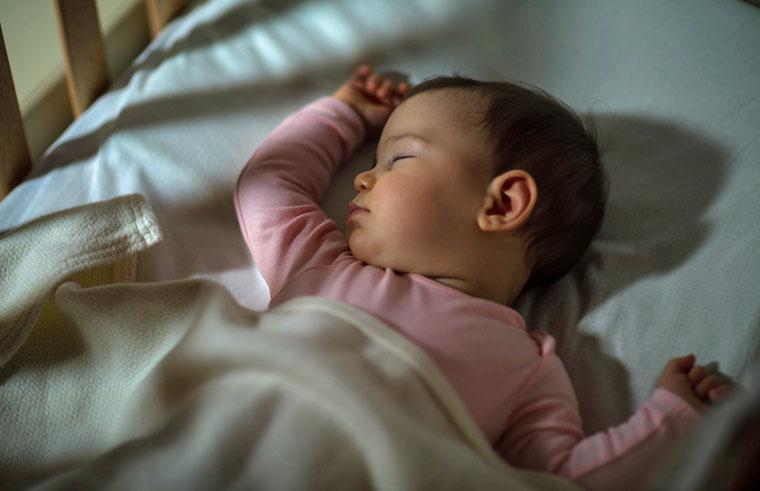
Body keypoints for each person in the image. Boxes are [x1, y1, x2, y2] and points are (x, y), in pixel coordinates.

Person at [234, 65, 734, 490]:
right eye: (371, 164)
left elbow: (563, 478)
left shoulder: (526, 367)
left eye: (398, 159)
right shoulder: (321, 262)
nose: (364, 179)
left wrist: (674, 418)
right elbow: (267, 186)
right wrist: (340, 116)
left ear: (501, 203)